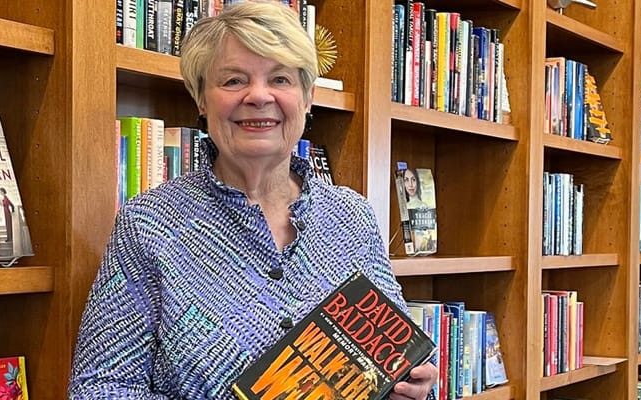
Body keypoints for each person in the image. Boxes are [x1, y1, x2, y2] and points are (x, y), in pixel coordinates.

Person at [68, 2, 437, 399]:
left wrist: (412, 387)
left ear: (307, 98)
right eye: (232, 81)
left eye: (280, 79)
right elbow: (99, 388)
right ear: (201, 100)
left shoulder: (352, 216)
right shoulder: (149, 224)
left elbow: (398, 360)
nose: (259, 96)